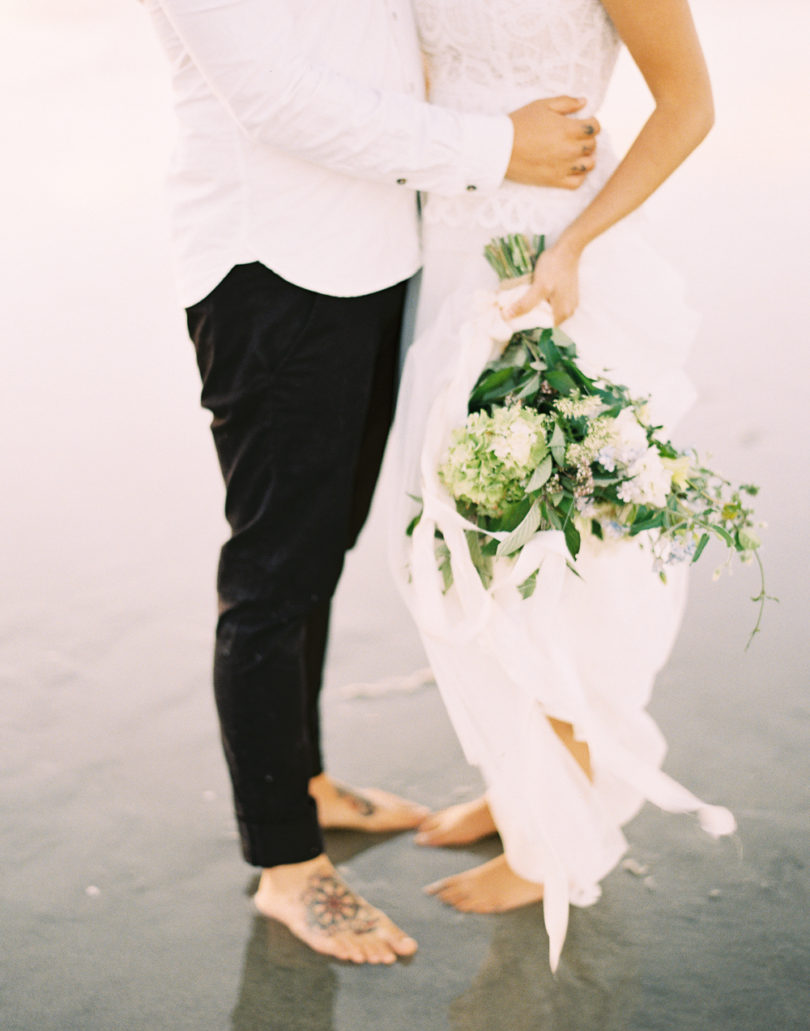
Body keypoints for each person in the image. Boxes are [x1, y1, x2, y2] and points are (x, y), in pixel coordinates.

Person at [142, 0, 601, 965]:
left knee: (322, 547)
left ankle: (300, 780)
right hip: (270, 266)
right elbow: (277, 97)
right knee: (274, 572)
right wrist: (496, 146)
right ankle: (288, 868)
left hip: (382, 253)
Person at [387, 0, 736, 970]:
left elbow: (689, 104)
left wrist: (576, 244)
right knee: (457, 547)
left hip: (552, 264)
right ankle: (521, 790)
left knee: (545, 551)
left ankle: (558, 841)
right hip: (450, 253)